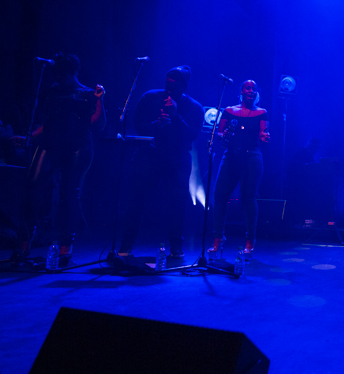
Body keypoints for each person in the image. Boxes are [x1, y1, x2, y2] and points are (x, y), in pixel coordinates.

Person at [13, 53, 106, 265]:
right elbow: (47, 124)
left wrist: (100, 101)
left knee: (68, 193)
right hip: (50, 145)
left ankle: (66, 245)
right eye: (58, 74)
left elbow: (98, 124)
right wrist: (29, 137)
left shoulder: (87, 94)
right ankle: (24, 242)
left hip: (78, 147)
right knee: (32, 188)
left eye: (64, 75)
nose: (60, 78)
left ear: (74, 72)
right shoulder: (51, 92)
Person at [119, 66, 203, 258]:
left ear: (184, 86)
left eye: (175, 82)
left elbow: (192, 135)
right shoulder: (150, 97)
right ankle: (126, 244)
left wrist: (176, 116)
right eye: (168, 80)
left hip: (178, 159)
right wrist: (156, 124)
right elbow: (138, 125)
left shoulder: (194, 107)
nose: (170, 85)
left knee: (178, 202)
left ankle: (176, 246)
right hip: (149, 154)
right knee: (136, 200)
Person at [208, 80, 269, 255]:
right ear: (241, 91)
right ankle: (218, 238)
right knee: (219, 196)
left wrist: (264, 136)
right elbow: (219, 133)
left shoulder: (261, 112)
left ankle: (250, 241)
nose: (251, 91)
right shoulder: (229, 111)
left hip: (252, 157)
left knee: (248, 199)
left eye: (254, 89)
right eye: (247, 88)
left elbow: (264, 132)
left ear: (256, 93)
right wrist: (223, 134)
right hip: (231, 156)